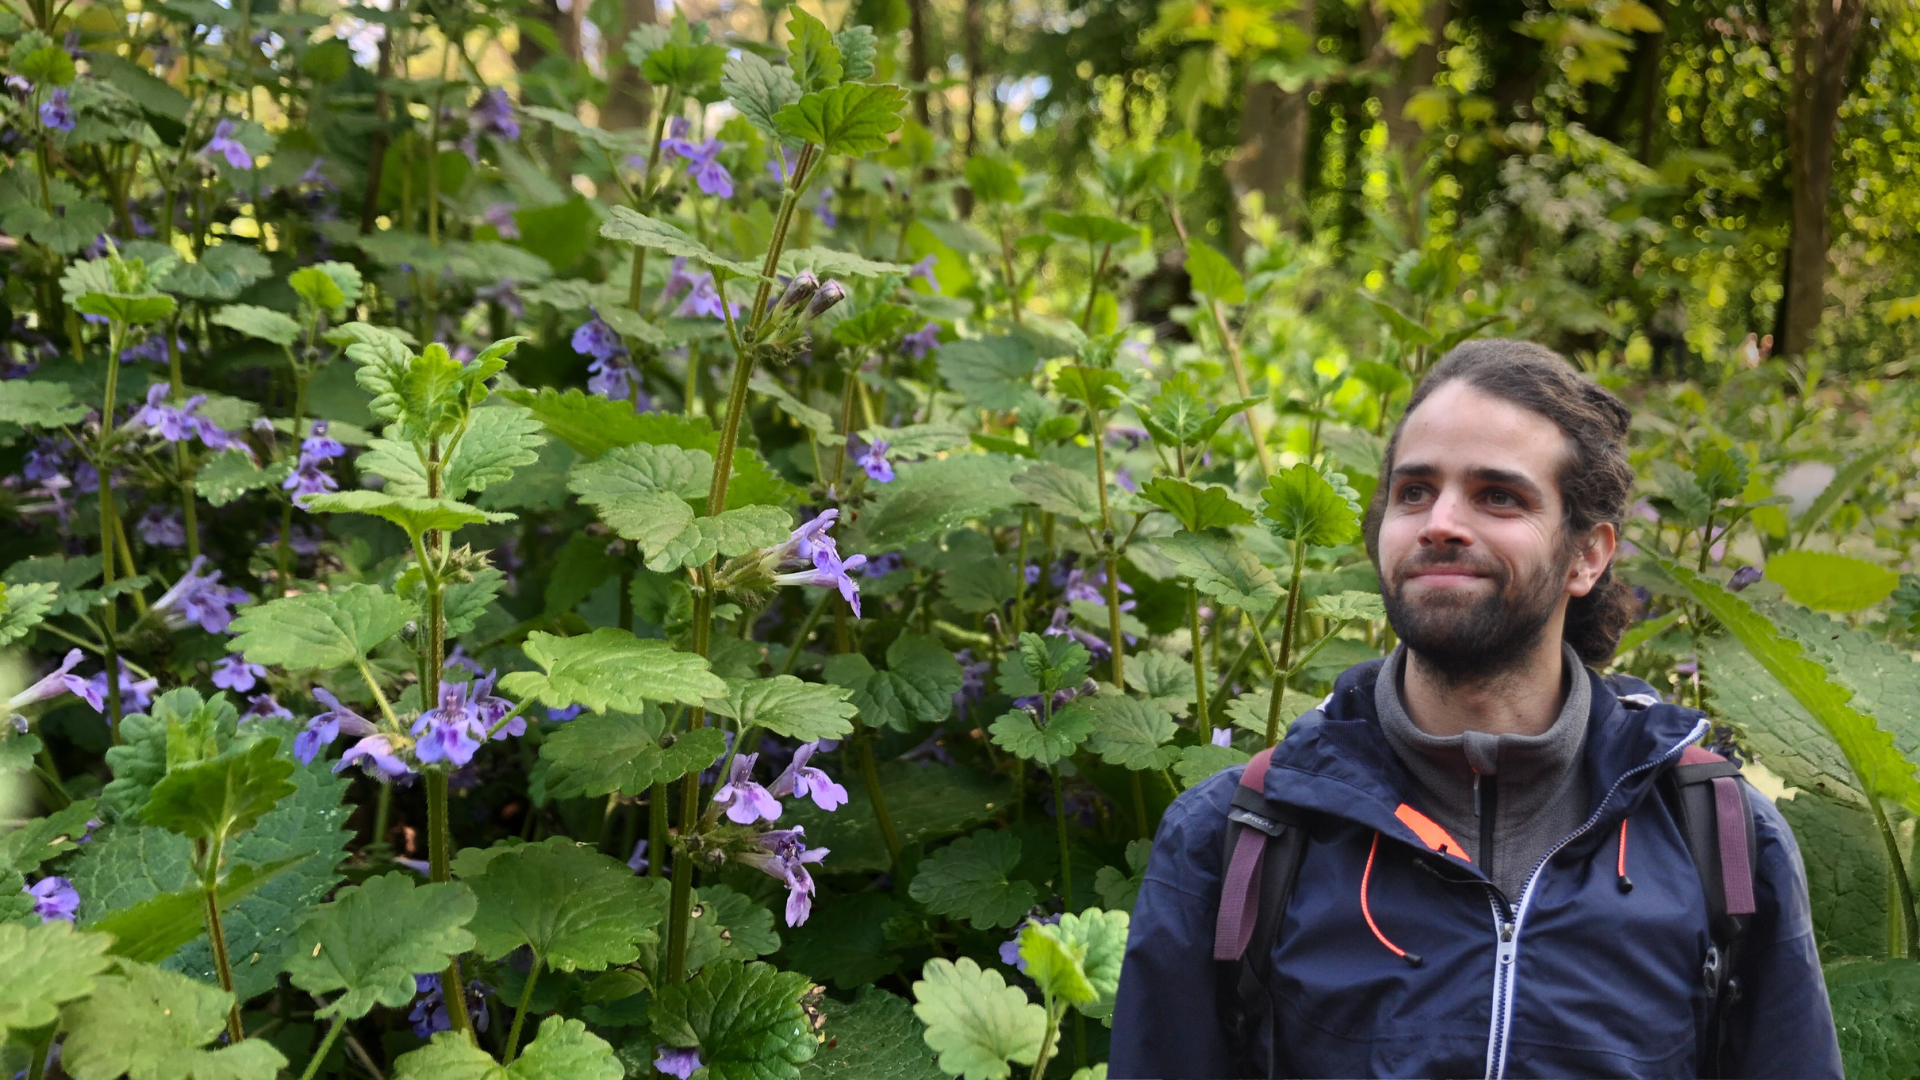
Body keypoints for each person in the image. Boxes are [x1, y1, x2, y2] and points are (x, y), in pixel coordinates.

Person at [1110, 340, 1839, 1079]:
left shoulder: (1718, 840)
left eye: (1498, 496)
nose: (1440, 523)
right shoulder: (1235, 842)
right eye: (1414, 492)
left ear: (1587, 555)